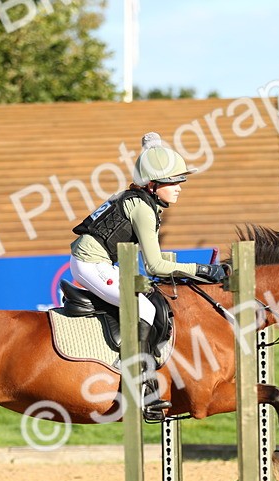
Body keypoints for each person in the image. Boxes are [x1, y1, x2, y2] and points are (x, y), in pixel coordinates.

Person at [70, 132, 227, 422]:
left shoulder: (144, 201)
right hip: (92, 264)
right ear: (153, 184)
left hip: (100, 262)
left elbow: (155, 258)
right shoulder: (142, 207)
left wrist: (193, 269)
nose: (180, 187)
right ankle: (140, 382)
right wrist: (203, 271)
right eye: (173, 182)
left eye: (181, 180)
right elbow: (154, 266)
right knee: (144, 308)